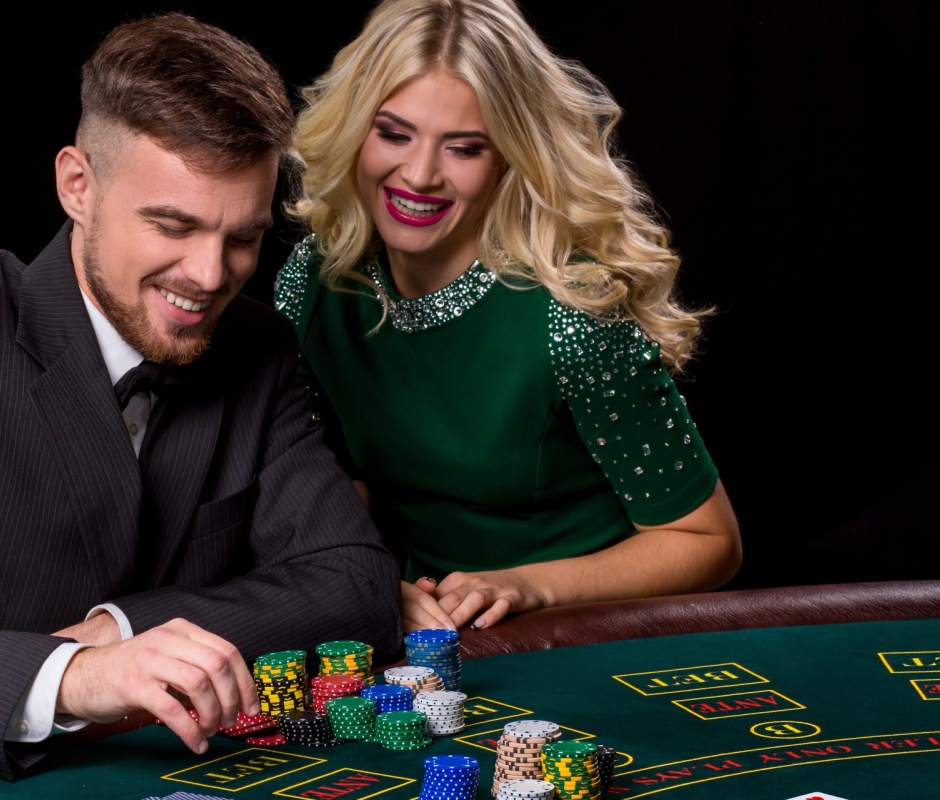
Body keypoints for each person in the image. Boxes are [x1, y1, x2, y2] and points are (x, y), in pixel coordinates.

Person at [0, 14, 400, 787]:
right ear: (77, 186)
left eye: (243, 237)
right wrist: (76, 675)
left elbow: (354, 585)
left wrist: (121, 630)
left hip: (136, 791)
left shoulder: (256, 347)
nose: (209, 274)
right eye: (173, 225)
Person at [276, 0, 742, 635]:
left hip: (583, 632)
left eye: (464, 148)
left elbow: (707, 541)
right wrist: (369, 578)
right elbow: (327, 479)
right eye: (393, 133)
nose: (418, 175)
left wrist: (529, 586)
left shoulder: (570, 314)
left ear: (508, 159)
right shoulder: (316, 280)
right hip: (419, 626)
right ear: (354, 129)